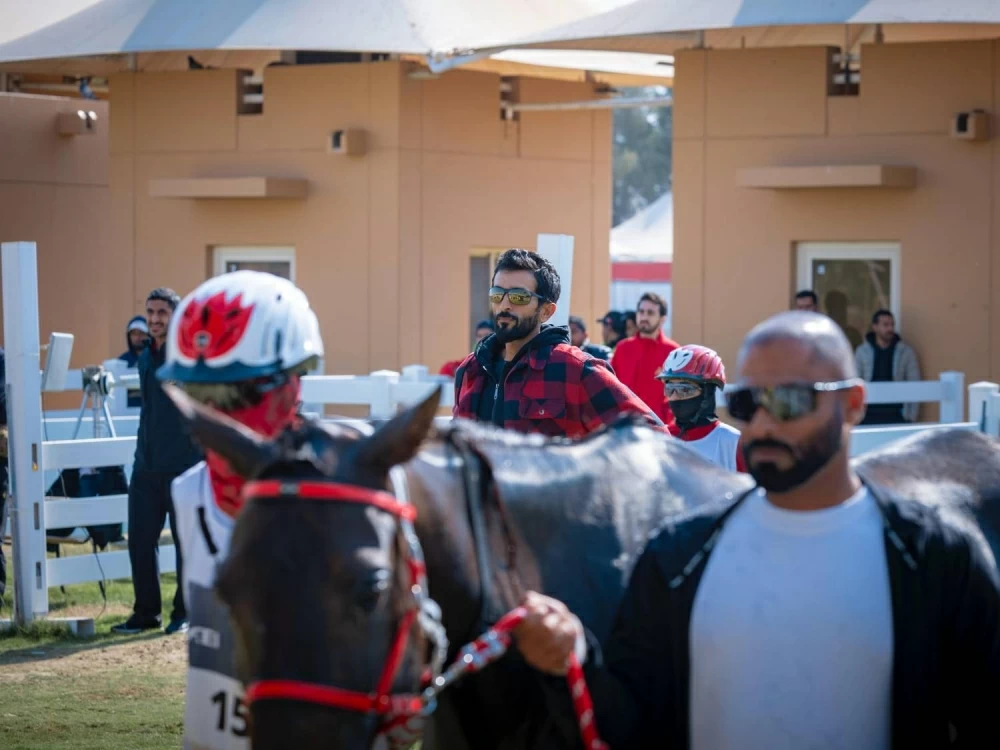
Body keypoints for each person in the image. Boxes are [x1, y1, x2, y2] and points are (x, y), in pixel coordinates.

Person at [515, 310, 1000, 749]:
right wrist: (572, 658)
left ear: (853, 404)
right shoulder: (678, 556)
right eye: (748, 403)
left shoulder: (936, 555)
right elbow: (634, 723)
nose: (763, 423)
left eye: (788, 400)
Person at [158, 270, 323, 750]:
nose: (217, 418)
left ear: (295, 384)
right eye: (197, 396)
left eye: (238, 394)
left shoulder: (346, 495)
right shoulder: (188, 494)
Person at [453, 249, 660, 438]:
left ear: (546, 311)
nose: (504, 305)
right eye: (497, 295)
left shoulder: (574, 369)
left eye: (519, 297)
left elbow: (652, 437)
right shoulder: (471, 369)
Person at [111, 288, 203, 635]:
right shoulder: (146, 354)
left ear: (175, 316)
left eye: (162, 312)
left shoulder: (188, 354)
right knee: (139, 539)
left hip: (183, 464)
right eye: (150, 312)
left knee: (184, 543)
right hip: (145, 465)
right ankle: (146, 613)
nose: (154, 319)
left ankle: (184, 613)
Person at [656, 345, 746, 472]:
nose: (675, 397)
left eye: (685, 389)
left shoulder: (734, 443)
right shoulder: (658, 438)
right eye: (670, 389)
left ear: (708, 393)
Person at [610, 292, 679, 426]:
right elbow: (612, 387)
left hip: (658, 430)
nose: (644, 317)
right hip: (624, 428)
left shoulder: (673, 352)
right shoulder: (622, 348)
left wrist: (666, 420)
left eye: (650, 313)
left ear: (662, 319)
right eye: (641, 312)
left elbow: (677, 394)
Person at [856, 309, 922, 424]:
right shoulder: (862, 352)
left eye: (892, 324)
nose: (890, 329)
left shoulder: (906, 352)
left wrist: (910, 418)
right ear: (875, 327)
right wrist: (856, 416)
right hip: (868, 416)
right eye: (885, 325)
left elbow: (914, 383)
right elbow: (855, 382)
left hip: (897, 415)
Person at [118, 315, 150, 408]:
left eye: (141, 333)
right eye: (134, 334)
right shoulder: (122, 361)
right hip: (127, 412)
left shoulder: (156, 359)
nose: (137, 337)